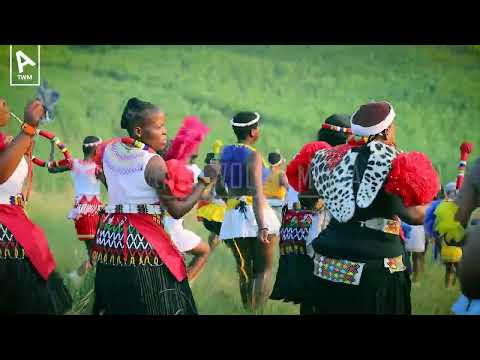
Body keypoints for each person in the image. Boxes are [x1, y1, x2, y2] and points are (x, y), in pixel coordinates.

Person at [308, 101, 439, 314]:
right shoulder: (392, 160)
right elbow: (413, 215)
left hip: (328, 264)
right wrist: (436, 208)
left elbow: (312, 200)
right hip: (375, 267)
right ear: (387, 131)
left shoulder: (325, 157)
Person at [91, 97, 218, 315]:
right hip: (140, 240)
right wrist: (205, 181)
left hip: (110, 237)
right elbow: (177, 210)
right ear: (139, 130)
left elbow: (113, 182)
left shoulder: (110, 150)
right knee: (160, 304)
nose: (165, 132)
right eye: (158, 127)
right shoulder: (152, 163)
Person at [271, 114, 351, 314]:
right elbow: (312, 198)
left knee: (310, 291)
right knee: (329, 290)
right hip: (323, 230)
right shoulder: (326, 154)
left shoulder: (312, 152)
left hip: (303, 233)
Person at [0, 97, 72, 314]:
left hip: (13, 221)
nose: (7, 107)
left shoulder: (6, 141)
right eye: (2, 103)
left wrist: (22, 140)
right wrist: (28, 129)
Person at [216, 111, 281, 312]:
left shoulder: (224, 153)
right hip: (257, 215)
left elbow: (219, 189)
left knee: (245, 271)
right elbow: (257, 192)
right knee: (263, 271)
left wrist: (233, 202)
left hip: (233, 217)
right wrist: (262, 225)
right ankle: (257, 311)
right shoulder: (253, 155)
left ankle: (247, 310)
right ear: (253, 131)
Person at [47, 135, 104, 283]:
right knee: (97, 254)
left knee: (93, 253)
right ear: (96, 150)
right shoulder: (99, 169)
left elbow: (51, 168)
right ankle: (74, 278)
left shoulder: (73, 164)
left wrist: (53, 146)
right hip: (94, 212)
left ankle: (77, 278)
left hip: (80, 213)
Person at [264, 151, 288, 220]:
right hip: (277, 205)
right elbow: (287, 188)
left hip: (265, 205)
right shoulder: (281, 174)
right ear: (279, 163)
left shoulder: (264, 171)